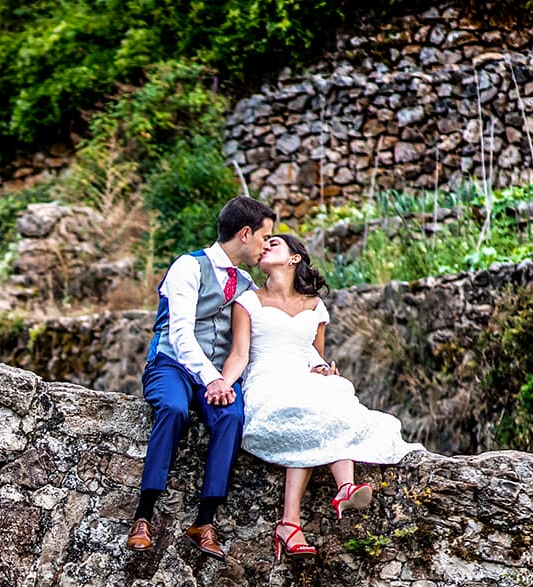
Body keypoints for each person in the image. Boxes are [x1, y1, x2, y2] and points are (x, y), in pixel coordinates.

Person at [234, 233, 423, 559]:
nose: (265, 246)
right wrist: (218, 385)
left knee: (332, 392)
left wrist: (323, 369)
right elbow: (239, 354)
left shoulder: (315, 306)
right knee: (301, 409)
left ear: (294, 258)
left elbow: (314, 355)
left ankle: (340, 490)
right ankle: (292, 521)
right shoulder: (248, 301)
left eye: (274, 243)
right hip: (266, 379)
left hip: (302, 377)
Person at [125, 195, 275, 559]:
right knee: (174, 410)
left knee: (231, 417)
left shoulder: (245, 283)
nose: (267, 244)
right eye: (264, 236)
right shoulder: (188, 267)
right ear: (244, 233)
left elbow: (266, 334)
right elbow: (179, 334)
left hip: (217, 377)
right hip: (171, 365)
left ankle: (204, 522)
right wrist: (213, 379)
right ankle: (143, 514)